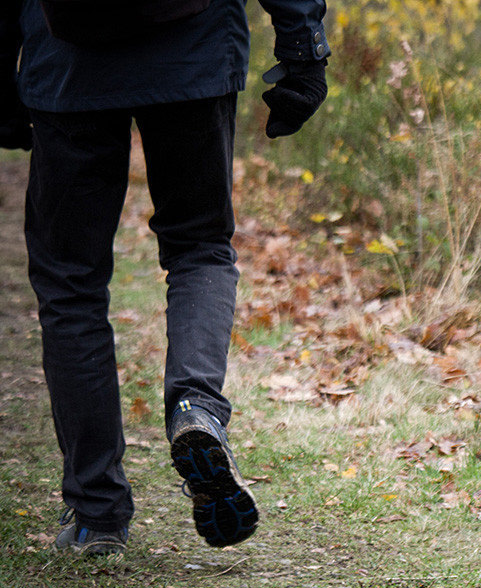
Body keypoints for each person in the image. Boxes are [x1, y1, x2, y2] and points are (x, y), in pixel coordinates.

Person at [0, 0, 330, 554]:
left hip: (67, 63)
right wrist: (303, 46)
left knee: (71, 284)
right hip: (194, 53)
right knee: (199, 247)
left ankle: (96, 514)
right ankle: (196, 408)